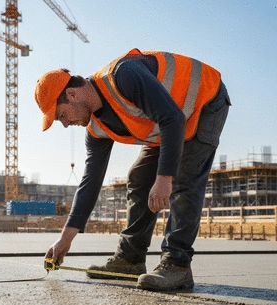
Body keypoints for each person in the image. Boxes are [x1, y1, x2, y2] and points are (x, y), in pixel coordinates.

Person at [35, 48, 231, 291]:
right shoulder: (96, 129)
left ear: (73, 94)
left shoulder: (123, 76)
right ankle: (130, 259)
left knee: (184, 178)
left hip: (205, 100)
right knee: (139, 177)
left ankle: (177, 265)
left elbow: (172, 118)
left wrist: (163, 179)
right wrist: (66, 238)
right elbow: (90, 182)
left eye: (61, 115)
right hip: (169, 123)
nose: (65, 124)